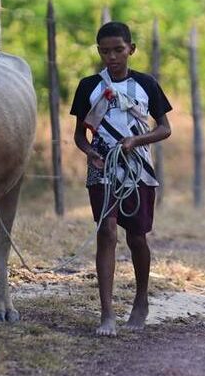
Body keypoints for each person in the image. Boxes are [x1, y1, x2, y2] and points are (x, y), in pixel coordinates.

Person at [70, 21, 172, 337]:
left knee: (137, 237)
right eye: (104, 51)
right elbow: (79, 135)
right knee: (107, 232)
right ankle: (107, 313)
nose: (111, 57)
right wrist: (91, 152)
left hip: (137, 168)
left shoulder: (146, 84)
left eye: (117, 50)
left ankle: (141, 300)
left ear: (131, 49)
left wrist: (134, 143)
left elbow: (164, 128)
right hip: (102, 169)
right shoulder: (89, 86)